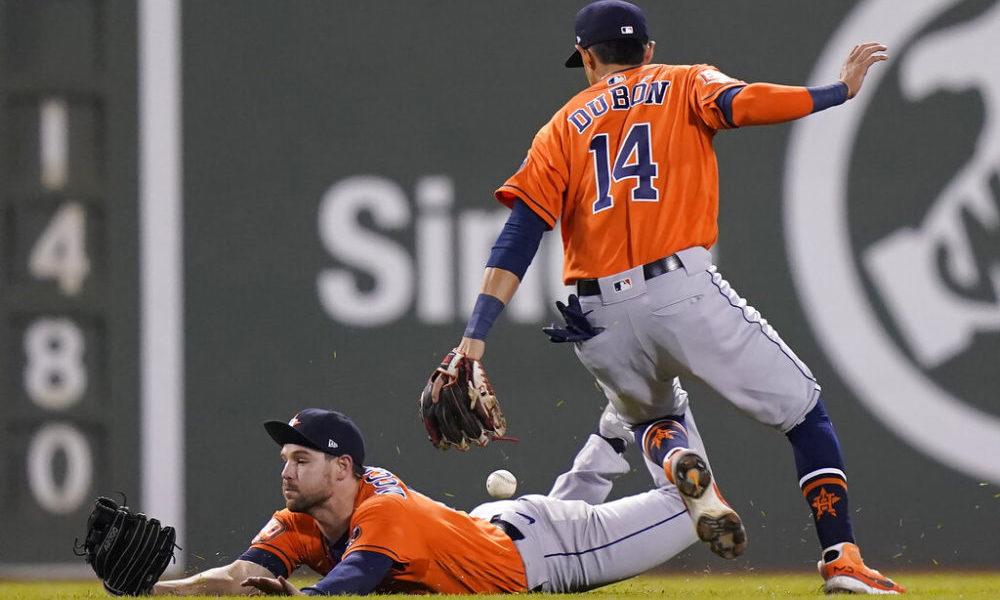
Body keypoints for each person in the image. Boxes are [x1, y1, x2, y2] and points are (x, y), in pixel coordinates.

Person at [446, 0, 903, 594]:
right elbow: (747, 103)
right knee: (804, 413)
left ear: (587, 57)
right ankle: (841, 557)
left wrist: (474, 336)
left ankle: (676, 461)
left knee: (651, 418)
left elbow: (519, 235)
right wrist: (837, 91)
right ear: (649, 51)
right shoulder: (684, 81)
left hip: (598, 316)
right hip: (680, 290)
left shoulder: (561, 126)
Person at [151, 407, 711, 596]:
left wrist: (301, 595)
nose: (288, 472)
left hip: (547, 552)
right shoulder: (302, 517)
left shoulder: (383, 513)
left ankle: (660, 401)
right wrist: (151, 588)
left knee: (696, 508)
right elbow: (243, 575)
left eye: (301, 460)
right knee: (569, 507)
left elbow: (350, 583)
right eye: (285, 461)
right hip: (492, 529)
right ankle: (613, 432)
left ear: (343, 468)